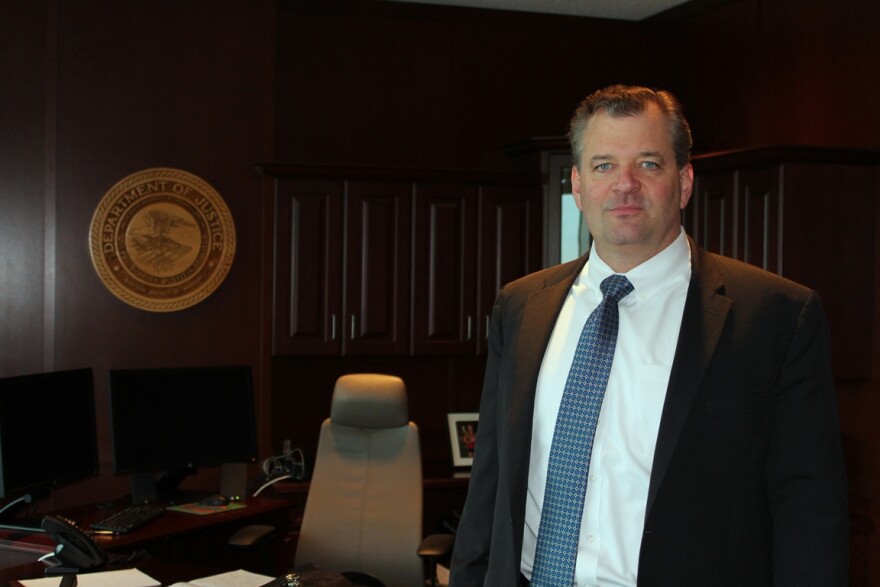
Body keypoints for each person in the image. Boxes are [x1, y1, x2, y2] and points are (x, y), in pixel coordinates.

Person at [449, 85, 849, 586]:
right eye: (603, 166)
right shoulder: (521, 307)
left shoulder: (776, 317)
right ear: (577, 185)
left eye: (648, 164)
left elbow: (809, 515)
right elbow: (487, 489)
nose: (625, 185)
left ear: (683, 182)